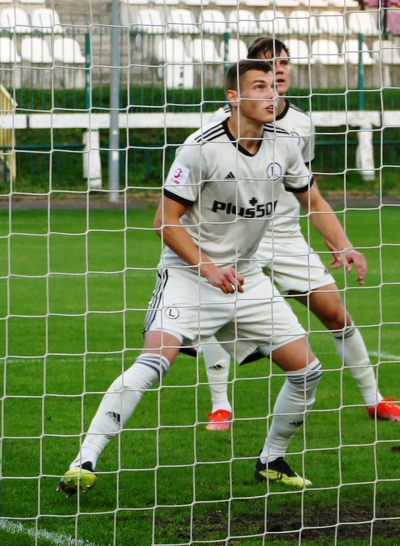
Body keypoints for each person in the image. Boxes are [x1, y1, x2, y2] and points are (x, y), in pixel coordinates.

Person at [59, 60, 329, 495]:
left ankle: (272, 459)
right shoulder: (200, 148)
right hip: (189, 275)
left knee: (306, 371)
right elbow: (165, 221)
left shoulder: (285, 146)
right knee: (152, 364)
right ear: (233, 97)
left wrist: (343, 246)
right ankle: (84, 460)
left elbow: (312, 197)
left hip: (246, 278)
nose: (270, 95)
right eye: (259, 87)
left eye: (273, 87)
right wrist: (207, 266)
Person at [199, 37, 400, 430]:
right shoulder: (217, 124)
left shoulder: (301, 125)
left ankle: (375, 399)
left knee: (335, 313)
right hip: (233, 238)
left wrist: (342, 244)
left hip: (284, 236)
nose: (278, 70)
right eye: (268, 64)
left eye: (283, 62)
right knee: (215, 316)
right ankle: (221, 406)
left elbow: (310, 195)